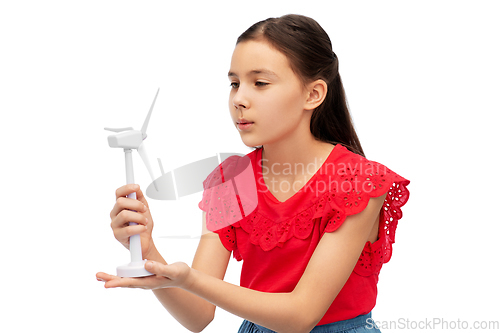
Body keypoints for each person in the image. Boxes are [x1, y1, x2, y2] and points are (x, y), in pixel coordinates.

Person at [97, 14, 410, 333]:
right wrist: (149, 252)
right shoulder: (230, 181)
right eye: (234, 83)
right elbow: (198, 315)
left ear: (313, 94)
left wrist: (190, 279)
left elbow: (301, 315)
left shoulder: (359, 182)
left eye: (260, 83)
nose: (239, 99)